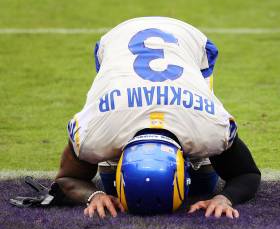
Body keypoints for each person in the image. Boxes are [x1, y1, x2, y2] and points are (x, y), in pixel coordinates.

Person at [56, 17, 260, 218]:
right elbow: (66, 178)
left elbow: (247, 174)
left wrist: (224, 199)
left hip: (189, 42)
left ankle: (189, 160)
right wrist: (95, 195)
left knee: (203, 178)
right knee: (113, 182)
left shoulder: (208, 127)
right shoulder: (98, 131)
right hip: (116, 45)